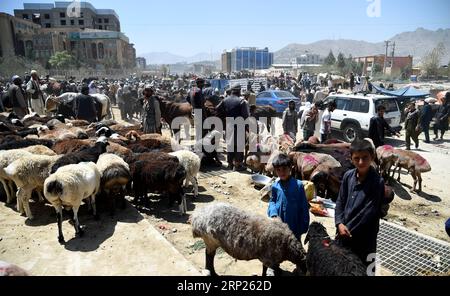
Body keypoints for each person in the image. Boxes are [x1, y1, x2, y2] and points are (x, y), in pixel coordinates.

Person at [335, 139, 387, 273]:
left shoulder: (377, 182)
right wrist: (339, 223)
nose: (361, 162)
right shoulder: (348, 176)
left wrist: (346, 229)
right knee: (345, 267)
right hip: (344, 232)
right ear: (351, 158)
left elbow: (368, 212)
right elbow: (340, 201)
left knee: (367, 269)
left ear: (372, 157)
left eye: (365, 158)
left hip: (365, 238)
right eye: (356, 158)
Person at [267, 153, 309, 274]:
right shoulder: (275, 185)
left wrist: (304, 225)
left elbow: (304, 207)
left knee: (296, 246)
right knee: (276, 245)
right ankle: (274, 265)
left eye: (284, 169)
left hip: (294, 224)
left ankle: (301, 267)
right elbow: (272, 201)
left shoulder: (299, 185)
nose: (281, 172)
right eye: (278, 170)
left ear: (291, 168)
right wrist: (274, 213)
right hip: (279, 223)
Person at [216, 83, 249, 171]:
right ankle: (238, 165)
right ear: (238, 91)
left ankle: (230, 164)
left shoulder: (225, 100)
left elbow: (217, 109)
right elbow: (245, 117)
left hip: (229, 125)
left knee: (230, 144)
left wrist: (224, 118)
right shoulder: (241, 102)